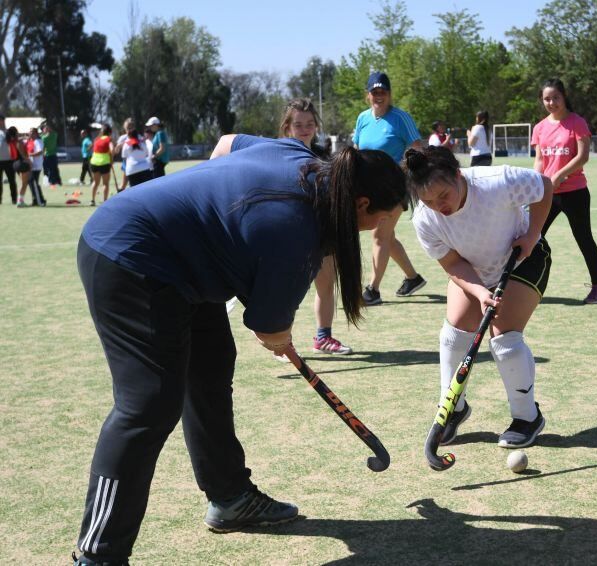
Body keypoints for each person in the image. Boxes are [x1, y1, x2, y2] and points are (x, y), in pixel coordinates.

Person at [71, 134, 408, 566]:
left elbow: (227, 143)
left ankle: (230, 497)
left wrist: (216, 226)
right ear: (361, 204)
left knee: (211, 370)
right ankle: (98, 555)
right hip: (129, 254)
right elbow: (269, 328)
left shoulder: (300, 155)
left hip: (185, 267)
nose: (376, 228)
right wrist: (277, 334)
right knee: (148, 405)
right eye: (380, 218)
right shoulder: (297, 232)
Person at [404, 145, 553, 448]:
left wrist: (532, 232)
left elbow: (545, 186)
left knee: (503, 337)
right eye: (428, 201)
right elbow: (452, 263)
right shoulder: (424, 219)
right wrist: (479, 291)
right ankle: (453, 409)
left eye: (443, 195)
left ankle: (527, 418)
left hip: (524, 258)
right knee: (454, 332)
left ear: (458, 176)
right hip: (473, 269)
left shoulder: (497, 181)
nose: (438, 206)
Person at [278, 98, 352, 354]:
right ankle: (281, 343)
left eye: (309, 123)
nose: (305, 128)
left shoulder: (325, 156)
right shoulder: (279, 154)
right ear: (287, 126)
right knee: (287, 293)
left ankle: (323, 337)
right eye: (298, 124)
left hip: (322, 233)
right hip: (291, 234)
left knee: (326, 286)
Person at [532, 78, 597, 304]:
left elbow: (582, 156)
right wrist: (537, 182)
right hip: (547, 193)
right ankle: (524, 285)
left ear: (564, 97)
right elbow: (539, 160)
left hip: (575, 192)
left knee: (584, 239)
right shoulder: (539, 128)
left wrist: (559, 175)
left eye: (555, 97)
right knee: (532, 237)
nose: (551, 102)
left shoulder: (577, 122)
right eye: (547, 98)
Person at [353, 71, 427, 306]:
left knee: (379, 235)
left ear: (389, 93)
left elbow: (417, 150)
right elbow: (356, 149)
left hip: (395, 186)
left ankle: (373, 290)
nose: (379, 96)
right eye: (375, 92)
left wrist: (400, 174)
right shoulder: (363, 118)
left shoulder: (400, 118)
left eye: (383, 91)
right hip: (368, 187)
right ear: (368, 95)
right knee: (387, 236)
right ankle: (413, 278)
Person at [89, 124, 114, 206]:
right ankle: (105, 201)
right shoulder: (109, 139)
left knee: (95, 183)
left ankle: (92, 200)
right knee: (105, 184)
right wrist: (112, 158)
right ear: (110, 132)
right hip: (104, 163)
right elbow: (112, 149)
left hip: (94, 163)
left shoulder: (97, 139)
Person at [7, 127, 32, 207]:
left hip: (14, 164)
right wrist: (29, 162)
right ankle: (20, 202)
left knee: (22, 183)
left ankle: (20, 200)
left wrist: (25, 137)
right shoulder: (19, 142)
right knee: (24, 184)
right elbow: (23, 154)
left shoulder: (10, 141)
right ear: (16, 133)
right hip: (22, 163)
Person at [0, 114, 18, 205]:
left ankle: (14, 199)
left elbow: (15, 142)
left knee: (12, 181)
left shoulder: (9, 132)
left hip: (9, 160)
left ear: (3, 121)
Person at [26, 127, 46, 206]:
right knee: (31, 182)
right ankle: (36, 200)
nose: (30, 133)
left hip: (36, 166)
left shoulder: (38, 141)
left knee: (33, 183)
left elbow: (40, 152)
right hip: (32, 165)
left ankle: (41, 200)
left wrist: (30, 155)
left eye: (32, 132)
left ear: (36, 133)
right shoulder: (33, 141)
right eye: (29, 132)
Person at [114, 118, 134, 191]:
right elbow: (116, 151)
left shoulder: (137, 136)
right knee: (124, 184)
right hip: (126, 163)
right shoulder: (123, 138)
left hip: (135, 162)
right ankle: (120, 194)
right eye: (128, 128)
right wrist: (119, 146)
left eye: (131, 128)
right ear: (125, 128)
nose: (129, 130)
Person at [41, 123, 62, 188]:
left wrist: (42, 155)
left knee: (51, 169)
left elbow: (43, 148)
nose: (46, 129)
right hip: (50, 155)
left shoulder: (44, 137)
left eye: (46, 128)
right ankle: (57, 181)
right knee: (54, 168)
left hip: (48, 155)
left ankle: (52, 181)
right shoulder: (53, 135)